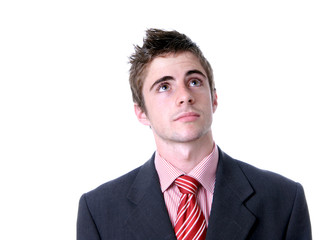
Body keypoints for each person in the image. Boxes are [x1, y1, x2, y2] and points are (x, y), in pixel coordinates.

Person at [77, 28, 312, 239]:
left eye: (195, 82)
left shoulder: (283, 199)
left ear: (214, 98)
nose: (185, 96)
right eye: (164, 87)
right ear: (141, 112)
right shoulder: (99, 210)